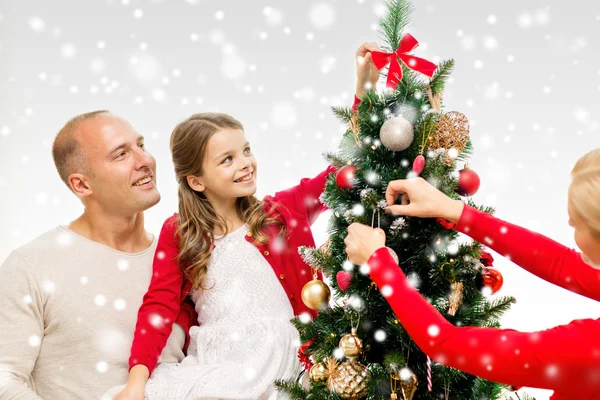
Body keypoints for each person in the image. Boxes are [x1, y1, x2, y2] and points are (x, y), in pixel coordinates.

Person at [115, 43, 382, 400]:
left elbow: (343, 171)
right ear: (197, 180)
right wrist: (136, 382)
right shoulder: (179, 233)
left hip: (289, 361)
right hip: (223, 364)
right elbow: (159, 306)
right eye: (227, 159)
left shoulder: (280, 212)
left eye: (246, 150)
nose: (246, 163)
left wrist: (364, 90)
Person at [343, 149, 600, 399]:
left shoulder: (587, 353)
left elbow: (444, 343)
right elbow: (562, 264)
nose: (569, 223)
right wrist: (454, 211)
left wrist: (378, 262)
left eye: (577, 221)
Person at [0, 111, 197, 399]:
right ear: (82, 185)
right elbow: (5, 379)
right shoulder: (32, 265)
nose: (145, 161)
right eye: (121, 154)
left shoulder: (183, 261)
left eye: (141, 145)